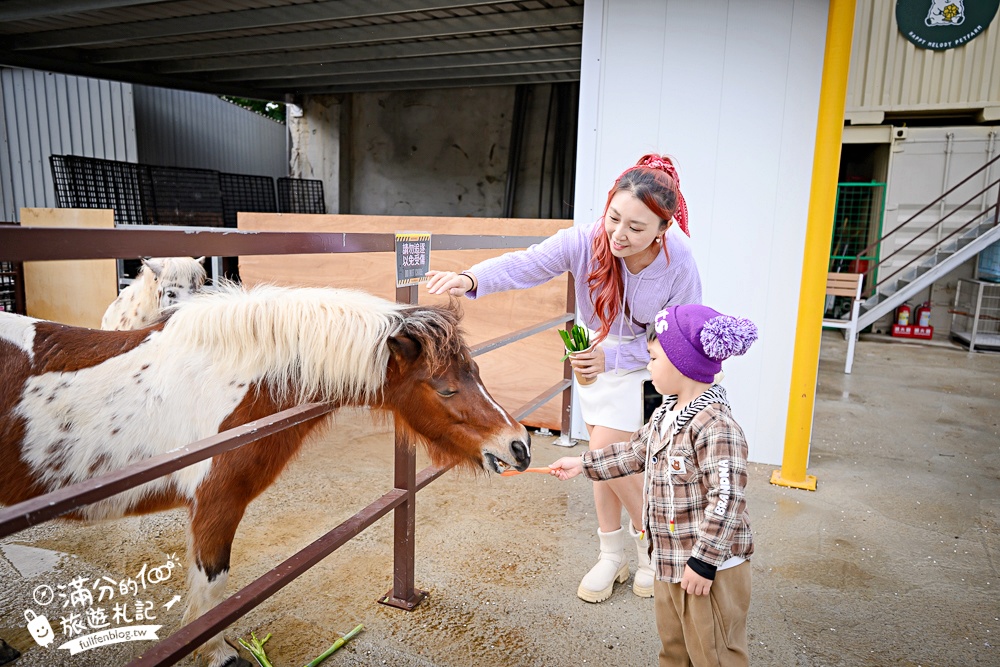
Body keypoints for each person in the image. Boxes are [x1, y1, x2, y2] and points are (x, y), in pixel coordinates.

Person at [426, 154, 702, 602]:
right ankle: (612, 556)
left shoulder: (679, 262)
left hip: (649, 364)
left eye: (636, 227)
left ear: (663, 229)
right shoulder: (585, 240)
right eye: (614, 218)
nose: (618, 234)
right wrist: (469, 277)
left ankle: (653, 546)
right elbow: (526, 264)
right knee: (606, 468)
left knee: (605, 453)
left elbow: (678, 335)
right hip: (591, 357)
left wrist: (615, 359)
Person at [548, 304, 758, 667]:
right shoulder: (665, 413)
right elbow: (633, 454)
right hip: (670, 562)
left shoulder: (716, 427)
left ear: (682, 363)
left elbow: (727, 499)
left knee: (714, 653)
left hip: (709, 569)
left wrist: (705, 563)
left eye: (654, 358)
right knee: (674, 649)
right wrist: (582, 464)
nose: (648, 366)